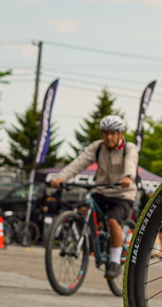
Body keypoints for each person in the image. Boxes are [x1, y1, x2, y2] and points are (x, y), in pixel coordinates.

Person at [49, 115, 139, 280]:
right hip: (101, 190)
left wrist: (128, 177)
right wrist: (61, 177)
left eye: (113, 133)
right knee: (83, 208)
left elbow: (131, 164)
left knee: (113, 221)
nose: (109, 137)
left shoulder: (129, 148)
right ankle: (87, 240)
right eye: (105, 133)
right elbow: (79, 162)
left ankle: (114, 261)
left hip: (122, 193)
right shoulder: (97, 147)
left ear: (120, 134)